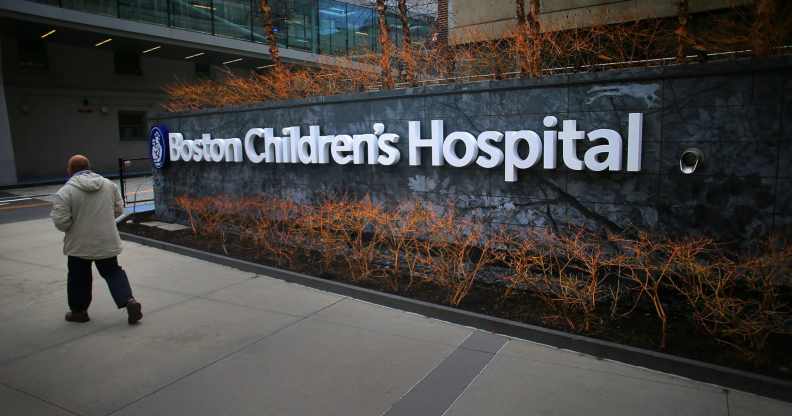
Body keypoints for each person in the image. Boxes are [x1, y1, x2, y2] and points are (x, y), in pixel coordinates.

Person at [50, 154, 142, 325]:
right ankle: (129, 301)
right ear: (89, 167)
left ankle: (79, 312)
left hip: (79, 243)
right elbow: (118, 210)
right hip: (106, 239)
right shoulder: (109, 185)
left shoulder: (65, 192)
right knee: (112, 271)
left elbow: (62, 222)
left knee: (79, 277)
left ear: (70, 171)